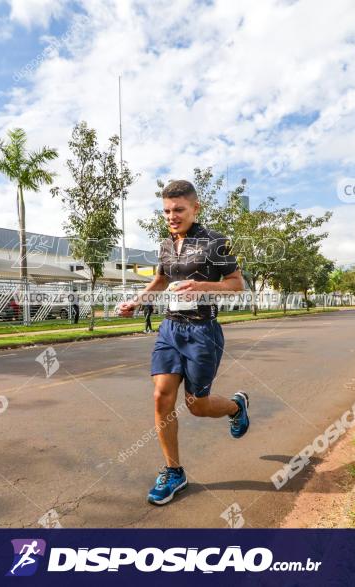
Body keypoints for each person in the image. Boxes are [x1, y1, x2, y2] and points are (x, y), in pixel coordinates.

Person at [117, 179, 249, 506]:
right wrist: (138, 301)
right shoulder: (166, 243)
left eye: (178, 210)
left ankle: (236, 406)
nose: (172, 216)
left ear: (195, 208)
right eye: (166, 211)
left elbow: (236, 285)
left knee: (196, 406)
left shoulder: (216, 242)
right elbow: (161, 280)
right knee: (161, 395)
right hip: (170, 328)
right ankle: (174, 471)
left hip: (203, 332)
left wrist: (202, 286)